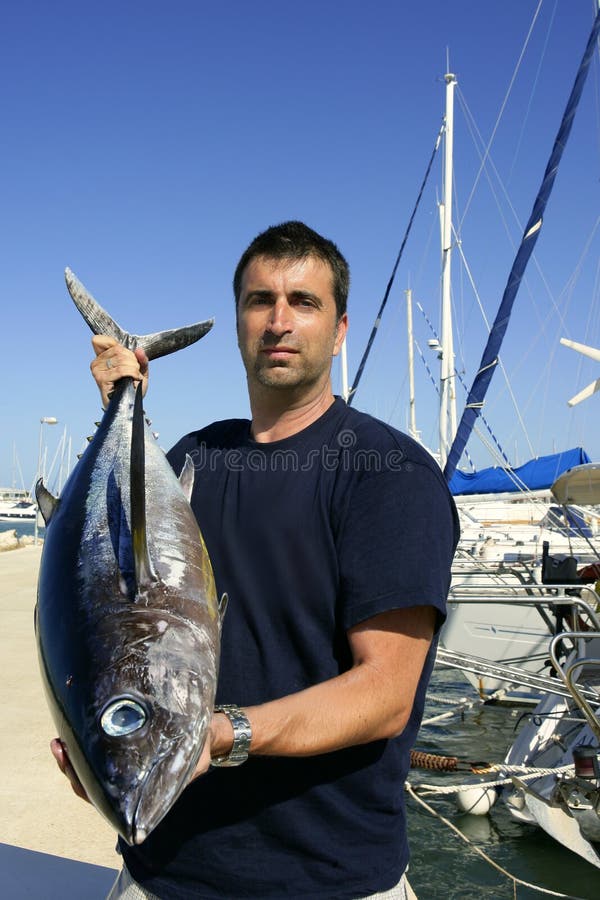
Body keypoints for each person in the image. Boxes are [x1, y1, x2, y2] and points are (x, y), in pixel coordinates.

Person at [52, 221, 459, 899]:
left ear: (340, 328)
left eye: (304, 301)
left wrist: (221, 735)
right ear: (241, 322)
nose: (278, 321)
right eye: (258, 300)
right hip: (160, 870)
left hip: (328, 881)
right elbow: (114, 601)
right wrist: (103, 744)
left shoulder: (386, 474)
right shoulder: (190, 458)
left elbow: (386, 694)